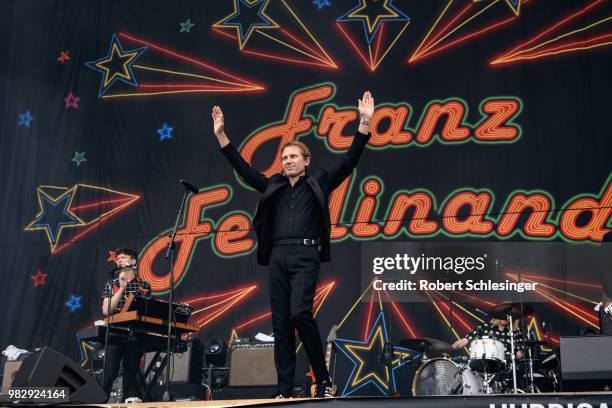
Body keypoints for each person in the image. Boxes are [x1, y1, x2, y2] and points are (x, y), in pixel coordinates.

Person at [212, 91, 374, 398]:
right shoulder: (273, 185)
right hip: (278, 256)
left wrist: (364, 123)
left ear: (306, 161)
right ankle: (284, 390)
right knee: (280, 322)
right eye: (284, 158)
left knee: (300, 313)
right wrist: (222, 137)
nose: (287, 162)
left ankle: (324, 382)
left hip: (306, 253)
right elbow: (245, 170)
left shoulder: (319, 182)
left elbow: (349, 162)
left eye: (293, 157)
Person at [100, 247, 152, 402]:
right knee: (109, 374)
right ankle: (100, 402)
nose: (119, 260)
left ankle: (127, 403)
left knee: (131, 375)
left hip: (135, 334)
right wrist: (121, 289)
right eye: (118, 258)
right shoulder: (112, 283)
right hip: (116, 333)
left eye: (123, 257)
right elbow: (106, 310)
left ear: (133, 261)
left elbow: (146, 310)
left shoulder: (144, 285)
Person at [452, 318, 525, 361]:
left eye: (508, 315)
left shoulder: (513, 334)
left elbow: (519, 355)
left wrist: (521, 351)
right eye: (503, 314)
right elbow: (465, 340)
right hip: (482, 362)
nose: (505, 318)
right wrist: (450, 347)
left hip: (504, 370)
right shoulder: (485, 327)